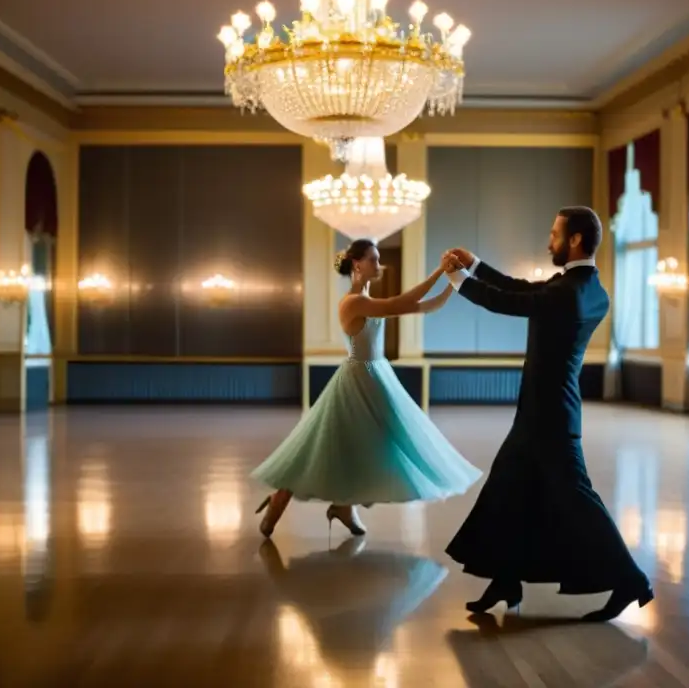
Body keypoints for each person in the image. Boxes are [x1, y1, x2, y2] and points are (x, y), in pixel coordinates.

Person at [441, 206, 653, 622]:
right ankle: (506, 579)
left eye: (554, 234)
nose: (548, 241)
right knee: (507, 492)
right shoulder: (589, 289)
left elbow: (507, 301)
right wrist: (476, 265)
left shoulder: (566, 292)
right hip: (545, 412)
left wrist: (457, 280)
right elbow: (522, 288)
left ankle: (632, 580)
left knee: (579, 501)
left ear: (574, 240)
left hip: (549, 418)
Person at [252, 238, 482, 538]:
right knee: (322, 450)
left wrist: (454, 281)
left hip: (378, 375)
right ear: (357, 264)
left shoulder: (368, 299)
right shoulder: (353, 302)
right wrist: (439, 273)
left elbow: (428, 306)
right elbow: (403, 303)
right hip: (356, 380)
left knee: (370, 446)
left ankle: (344, 507)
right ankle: (278, 500)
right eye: (373, 259)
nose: (378, 265)